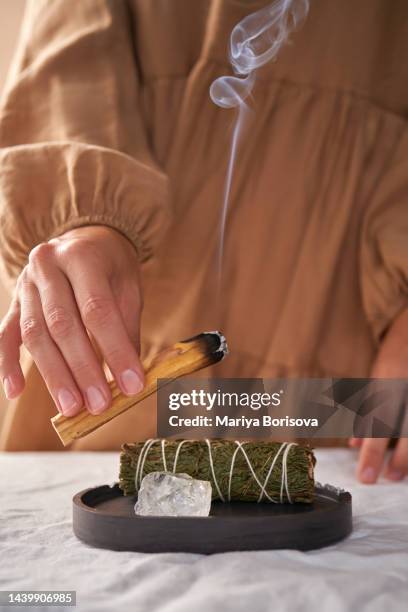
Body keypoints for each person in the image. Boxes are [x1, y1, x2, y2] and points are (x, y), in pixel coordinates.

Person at [0, 0, 406, 483]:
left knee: (321, 520)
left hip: (348, 385)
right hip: (114, 347)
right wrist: (88, 221)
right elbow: (70, 67)